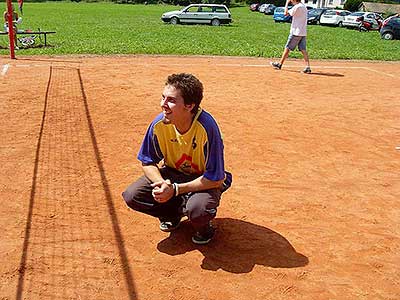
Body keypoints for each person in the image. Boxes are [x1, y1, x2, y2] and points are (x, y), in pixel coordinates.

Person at [122, 73, 232, 245]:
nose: (163, 105)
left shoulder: (207, 128)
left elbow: (215, 178)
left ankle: (204, 228)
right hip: (172, 174)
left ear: (189, 106)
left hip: (203, 180)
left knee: (198, 209)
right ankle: (171, 214)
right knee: (132, 195)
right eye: (163, 97)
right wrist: (162, 184)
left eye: (171, 100)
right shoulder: (159, 124)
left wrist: (174, 190)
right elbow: (147, 161)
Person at [271, 0, 311, 73]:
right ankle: (307, 66)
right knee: (303, 49)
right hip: (302, 32)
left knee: (287, 48)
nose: (291, 1)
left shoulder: (297, 7)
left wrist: (286, 3)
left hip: (296, 32)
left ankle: (280, 64)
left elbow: (285, 13)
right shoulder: (303, 6)